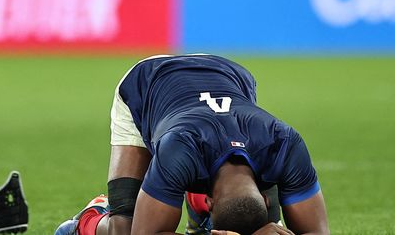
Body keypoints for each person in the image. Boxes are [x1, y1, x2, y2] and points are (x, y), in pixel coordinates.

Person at [55, 54, 329, 235]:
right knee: (123, 228)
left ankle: (196, 212)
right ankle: (86, 222)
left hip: (229, 74)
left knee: (256, 220)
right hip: (148, 82)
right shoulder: (178, 148)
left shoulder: (283, 143)